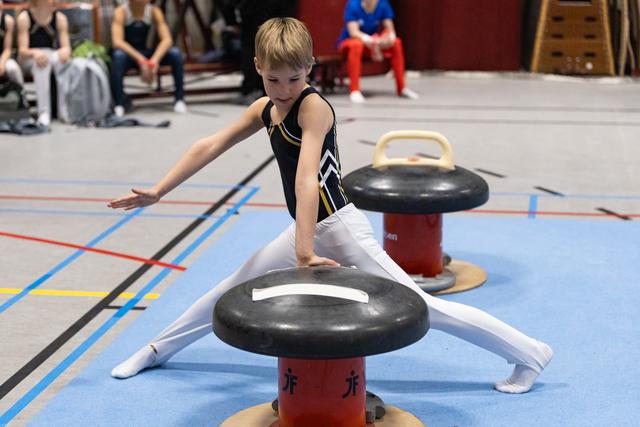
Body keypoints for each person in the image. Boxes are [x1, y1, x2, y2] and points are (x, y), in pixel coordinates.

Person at [108, 17, 552, 394]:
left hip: (338, 227)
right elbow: (210, 144)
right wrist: (159, 190)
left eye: (294, 79)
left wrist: (303, 250)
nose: (283, 89)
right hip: (307, 230)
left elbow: (306, 180)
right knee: (233, 286)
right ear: (258, 66)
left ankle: (529, 353)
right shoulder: (265, 108)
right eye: (273, 79)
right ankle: (155, 350)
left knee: (424, 309)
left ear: (310, 68)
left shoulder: (313, 108)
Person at [111, 0, 186, 117]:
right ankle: (119, 104)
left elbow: (167, 40)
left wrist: (154, 61)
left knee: (175, 53)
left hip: (146, 53)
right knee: (118, 56)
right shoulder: (121, 12)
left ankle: (179, 99)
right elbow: (117, 42)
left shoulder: (153, 11)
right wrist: (141, 60)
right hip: (130, 55)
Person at [337, 0, 418, 103]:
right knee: (356, 44)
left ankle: (402, 88)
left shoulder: (383, 4)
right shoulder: (353, 5)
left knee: (396, 43)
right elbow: (354, 32)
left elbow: (391, 31)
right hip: (350, 43)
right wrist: (372, 41)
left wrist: (387, 39)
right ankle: (355, 90)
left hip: (372, 44)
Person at [16, 0, 71, 126]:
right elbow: (22, 50)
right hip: (29, 58)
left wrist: (64, 52)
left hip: (50, 54)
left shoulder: (60, 18)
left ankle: (64, 109)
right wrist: (36, 53)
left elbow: (66, 47)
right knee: (42, 65)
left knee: (62, 61)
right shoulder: (25, 18)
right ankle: (44, 112)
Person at [0, 2, 24, 86]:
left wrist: (2, 63)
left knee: (13, 69)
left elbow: (7, 49)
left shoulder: (7, 20)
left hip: (3, 57)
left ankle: (21, 96)